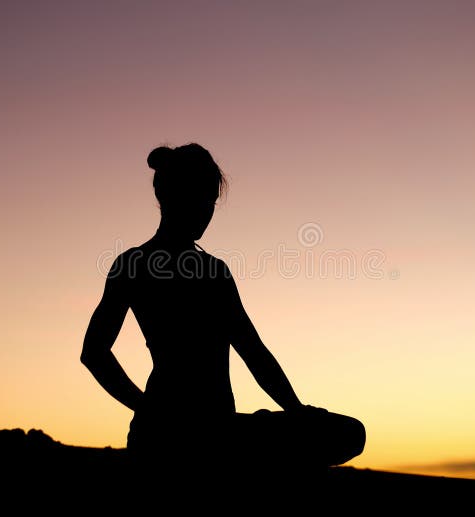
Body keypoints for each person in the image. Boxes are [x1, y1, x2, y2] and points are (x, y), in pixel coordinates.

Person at [81, 143, 365, 486]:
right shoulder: (141, 265)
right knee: (336, 438)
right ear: (168, 196)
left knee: (349, 432)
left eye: (211, 202)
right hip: (175, 436)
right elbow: (93, 353)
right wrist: (146, 408)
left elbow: (254, 352)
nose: (206, 211)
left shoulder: (208, 270)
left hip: (217, 428)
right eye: (199, 198)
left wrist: (297, 411)